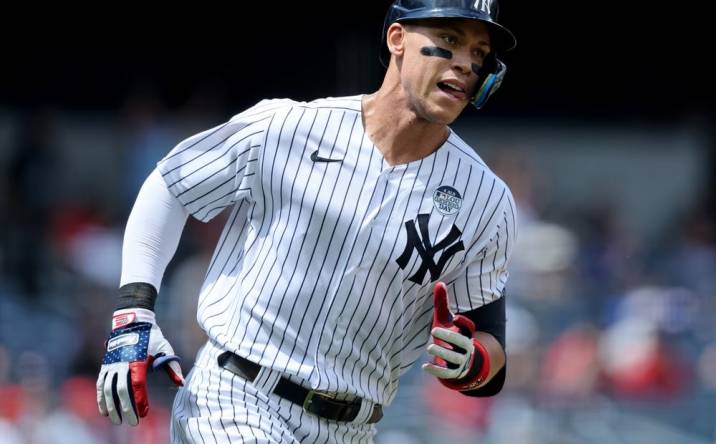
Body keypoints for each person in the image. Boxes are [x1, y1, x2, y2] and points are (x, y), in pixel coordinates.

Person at [96, 1, 517, 442]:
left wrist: (472, 362)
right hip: (236, 398)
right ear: (397, 40)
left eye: (478, 51)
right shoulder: (289, 126)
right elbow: (171, 185)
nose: (466, 63)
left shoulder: (485, 200)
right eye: (448, 41)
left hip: (354, 427)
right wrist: (134, 311)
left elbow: (490, 340)